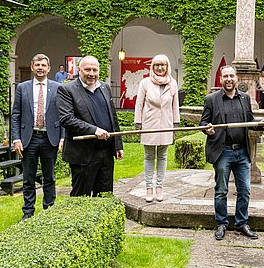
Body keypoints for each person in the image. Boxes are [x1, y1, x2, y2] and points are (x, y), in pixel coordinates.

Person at [200, 64, 264, 240]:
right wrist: (206, 129)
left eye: (232, 76)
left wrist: (262, 125)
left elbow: (249, 121)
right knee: (221, 190)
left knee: (245, 190)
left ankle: (241, 223)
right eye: (226, 77)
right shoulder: (211, 100)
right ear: (221, 79)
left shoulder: (245, 98)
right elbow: (203, 123)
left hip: (242, 152)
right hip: (222, 152)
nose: (229, 79)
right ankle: (221, 224)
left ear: (236, 78)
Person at [57, 55, 123, 197]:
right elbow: (67, 119)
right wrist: (94, 130)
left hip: (105, 153)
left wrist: (118, 145)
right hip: (82, 154)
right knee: (81, 198)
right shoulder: (67, 90)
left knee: (105, 197)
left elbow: (113, 118)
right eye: (87, 69)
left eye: (95, 70)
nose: (92, 73)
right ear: (79, 70)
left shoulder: (105, 88)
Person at [12, 53, 64, 221]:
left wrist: (62, 138)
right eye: (37, 65)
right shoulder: (22, 88)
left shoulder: (58, 87)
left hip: (50, 138)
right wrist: (16, 138)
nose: (40, 68)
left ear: (49, 68)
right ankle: (28, 212)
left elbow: (64, 115)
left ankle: (49, 211)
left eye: (43, 65)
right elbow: (16, 115)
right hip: (29, 138)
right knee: (28, 178)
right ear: (32, 67)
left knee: (49, 177)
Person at [134, 54, 180, 203]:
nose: (160, 68)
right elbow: (139, 104)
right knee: (149, 156)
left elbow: (175, 105)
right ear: (152, 67)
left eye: (163, 65)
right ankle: (149, 187)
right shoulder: (145, 83)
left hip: (165, 124)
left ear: (167, 67)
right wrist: (138, 122)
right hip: (149, 123)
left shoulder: (172, 83)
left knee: (162, 156)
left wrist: (175, 123)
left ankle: (159, 187)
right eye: (157, 65)